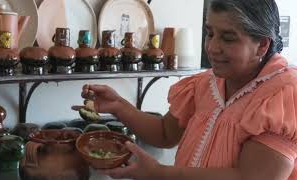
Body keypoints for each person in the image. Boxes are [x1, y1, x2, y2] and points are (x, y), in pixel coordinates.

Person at [82, 0, 297, 179]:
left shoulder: (282, 95)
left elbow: (253, 177)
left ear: (262, 45)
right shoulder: (206, 84)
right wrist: (119, 106)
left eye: (228, 38)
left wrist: (159, 173)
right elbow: (165, 133)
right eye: (210, 33)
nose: (212, 47)